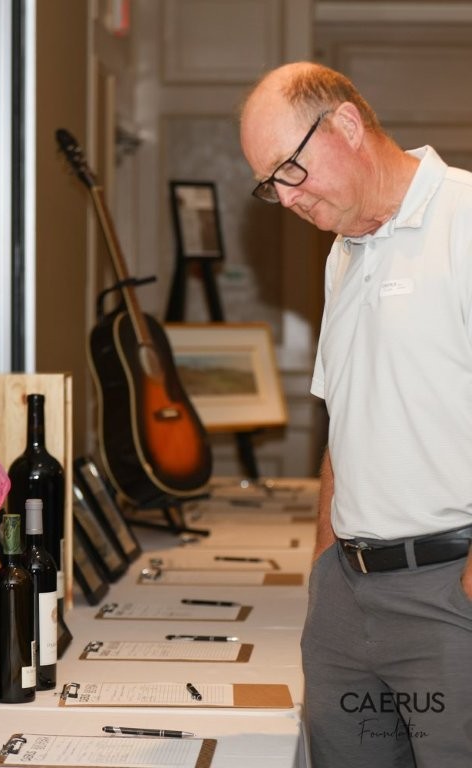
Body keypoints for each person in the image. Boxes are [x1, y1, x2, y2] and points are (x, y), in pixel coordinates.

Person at [240, 61, 472, 768]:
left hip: (448, 592)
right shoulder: (343, 252)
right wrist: (323, 570)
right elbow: (345, 423)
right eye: (268, 183)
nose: (284, 197)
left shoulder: (464, 221)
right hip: (347, 596)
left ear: (344, 124)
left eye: (289, 169)